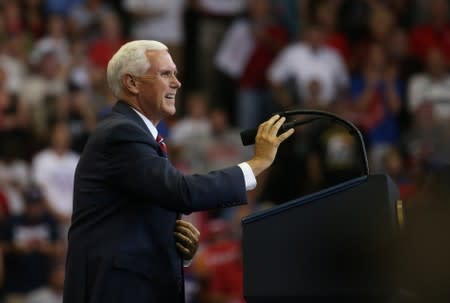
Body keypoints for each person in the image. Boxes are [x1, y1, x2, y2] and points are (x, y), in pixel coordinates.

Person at [63, 40, 294, 303]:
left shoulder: (138, 135)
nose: (177, 83)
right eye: (165, 74)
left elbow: (134, 220)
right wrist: (257, 163)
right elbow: (182, 192)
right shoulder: (121, 133)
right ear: (132, 83)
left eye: (175, 73)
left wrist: (178, 250)